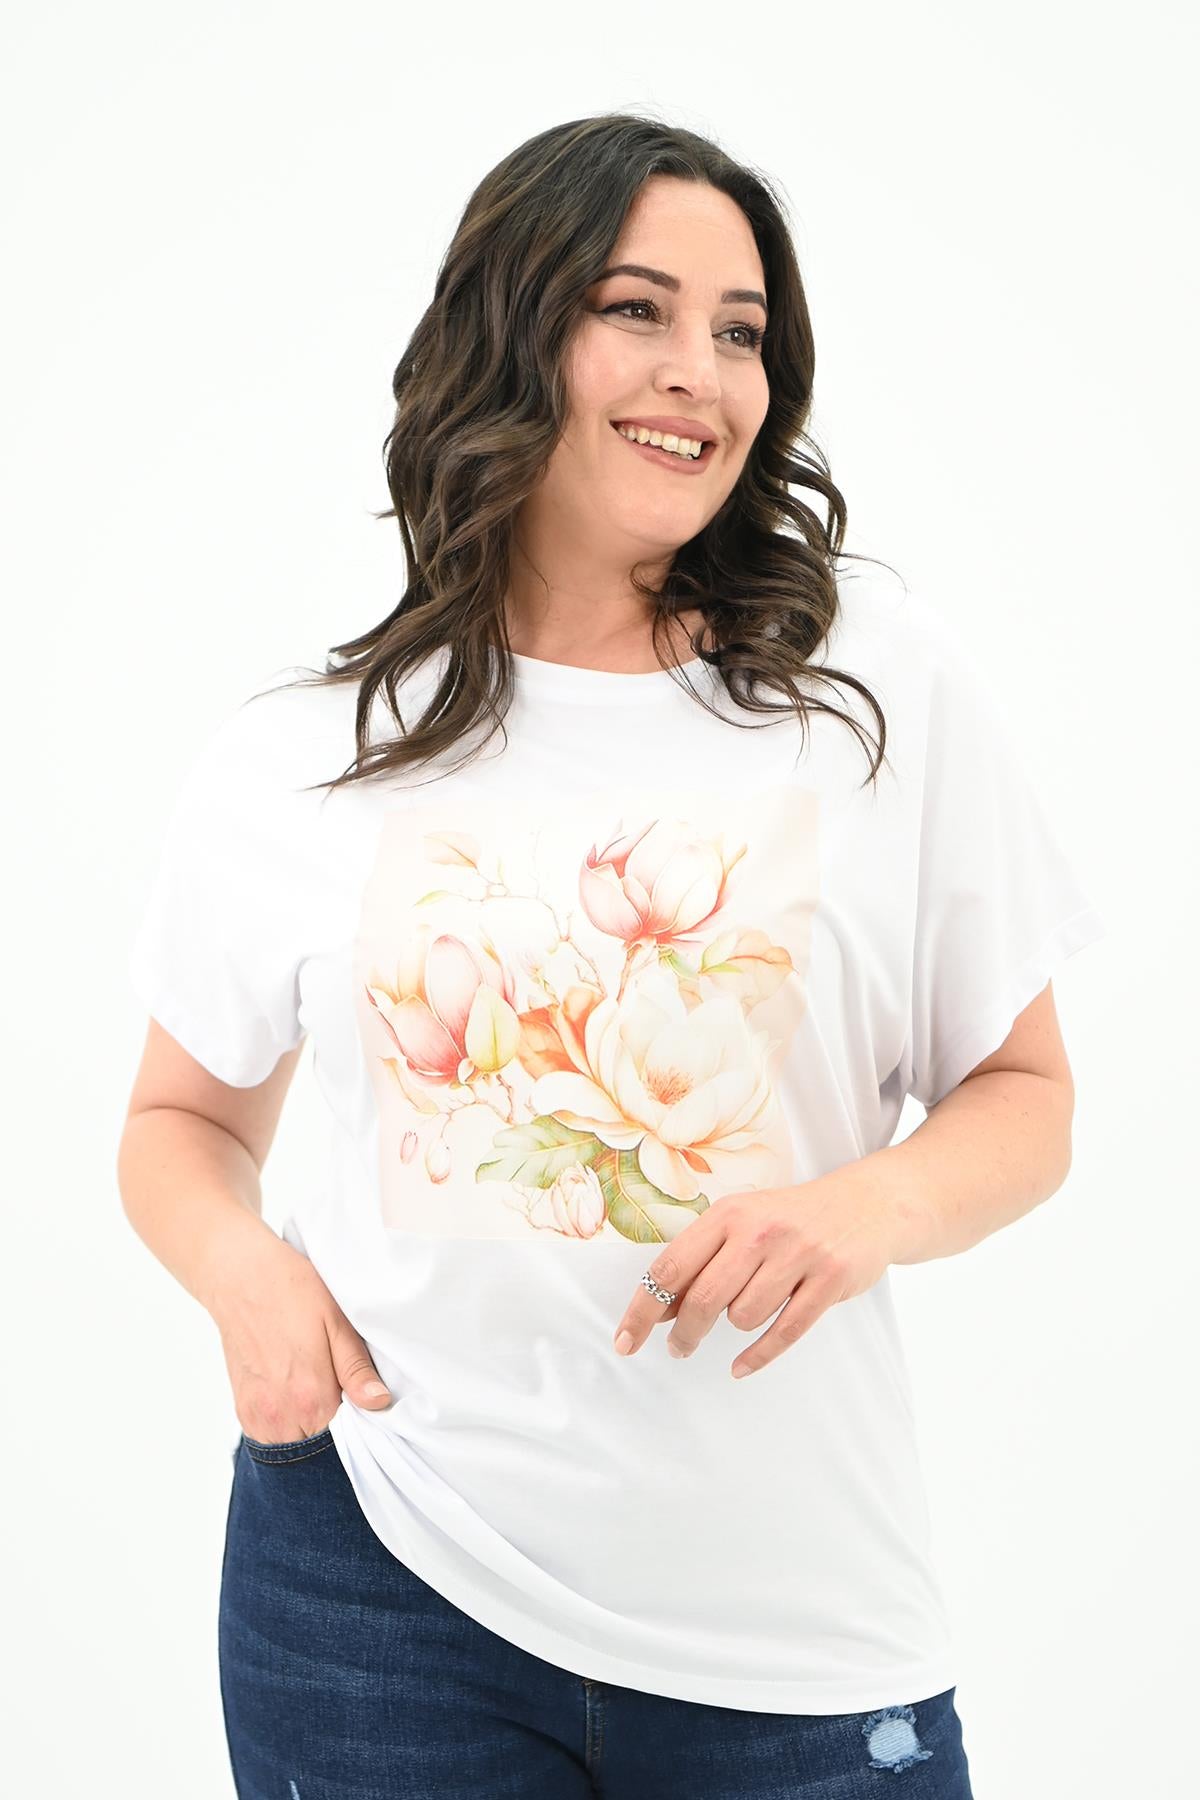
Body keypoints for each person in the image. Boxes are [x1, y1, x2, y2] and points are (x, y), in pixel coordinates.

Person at [118, 113, 1106, 1800]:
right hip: (376, 1585)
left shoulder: (873, 691)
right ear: (508, 334)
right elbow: (177, 1125)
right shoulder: (302, 755)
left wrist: (859, 1209)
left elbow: (1027, 1093)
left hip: (794, 1625)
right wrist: (242, 1274)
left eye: (741, 330)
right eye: (636, 308)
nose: (699, 374)